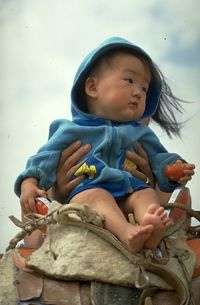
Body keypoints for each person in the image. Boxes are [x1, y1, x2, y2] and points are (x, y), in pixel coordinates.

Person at [15, 37, 195, 253]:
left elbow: (160, 157)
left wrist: (170, 169)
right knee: (94, 197)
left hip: (131, 190)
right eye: (129, 81)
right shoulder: (70, 131)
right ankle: (127, 232)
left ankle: (157, 229)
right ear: (92, 87)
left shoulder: (140, 136)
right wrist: (29, 183)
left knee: (146, 197)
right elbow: (43, 159)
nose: (138, 93)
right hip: (90, 191)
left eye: (145, 90)